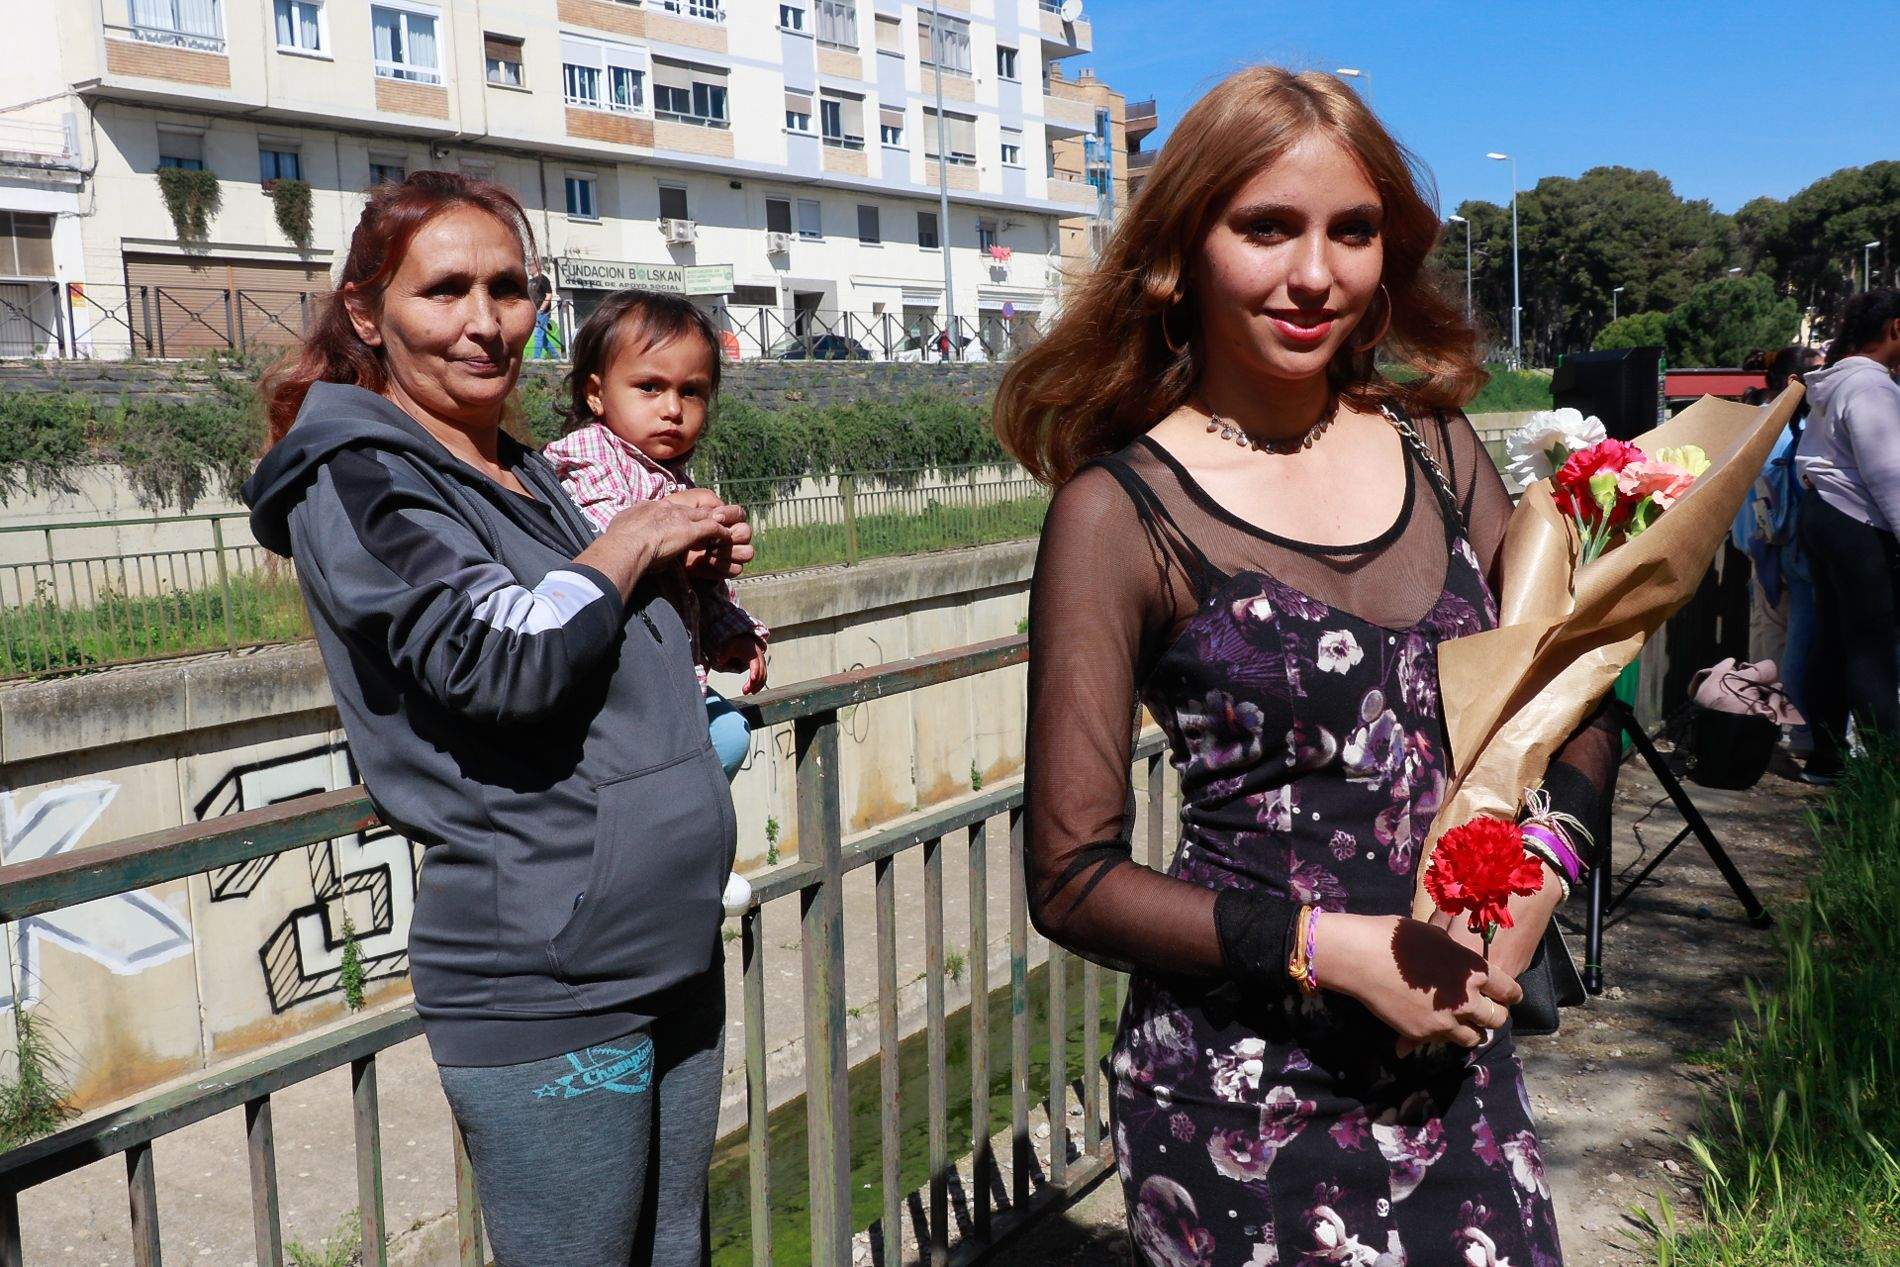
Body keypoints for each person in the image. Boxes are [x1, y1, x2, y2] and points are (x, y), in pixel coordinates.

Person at [996, 68, 1616, 1265]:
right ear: (1184, 249)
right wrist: (1336, 949)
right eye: (1265, 227)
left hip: (1451, 1075)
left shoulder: (1433, 445)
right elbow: (1070, 877)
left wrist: (1543, 869)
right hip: (1237, 1106)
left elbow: (1575, 679)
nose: (1315, 274)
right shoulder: (1118, 511)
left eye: (1353, 230)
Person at [242, 172, 749, 1267]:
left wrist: (681, 571)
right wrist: (633, 544)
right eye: (447, 290)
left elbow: (589, 628)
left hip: (664, 942)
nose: (486, 321)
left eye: (511, 288)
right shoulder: (361, 475)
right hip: (547, 980)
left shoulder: (519, 469)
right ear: (369, 315)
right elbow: (504, 659)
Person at [542, 289, 769, 912]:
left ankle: (694, 860)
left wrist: (732, 631)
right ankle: (675, 866)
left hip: (671, 680)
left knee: (727, 738)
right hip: (619, 689)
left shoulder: (673, 478)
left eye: (691, 392)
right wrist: (673, 542)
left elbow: (701, 587)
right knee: (694, 756)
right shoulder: (592, 456)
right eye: (649, 388)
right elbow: (602, 534)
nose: (672, 409)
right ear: (596, 394)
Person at [1794, 288, 1900, 781]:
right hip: (1858, 522)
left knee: (1831, 641)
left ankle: (1826, 758)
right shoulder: (1871, 386)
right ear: (1894, 329)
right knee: (1870, 649)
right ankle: (1884, 775)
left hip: (1823, 514)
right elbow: (1889, 473)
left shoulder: (1835, 381)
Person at [1731, 343, 1824, 744]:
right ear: (1793, 381)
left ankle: (1769, 725)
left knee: (1772, 636)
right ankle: (1775, 727)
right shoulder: (1787, 429)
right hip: (1779, 546)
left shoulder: (1759, 421)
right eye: (1816, 371)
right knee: (1780, 641)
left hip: (1760, 546)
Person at [529, 256, 557, 359]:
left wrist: (541, 310)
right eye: (528, 265)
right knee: (543, 338)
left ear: (538, 266)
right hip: (533, 312)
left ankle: (536, 358)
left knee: (538, 335)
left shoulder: (543, 279)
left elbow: (549, 295)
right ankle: (556, 357)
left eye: (531, 265)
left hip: (542, 313)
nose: (529, 268)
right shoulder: (530, 281)